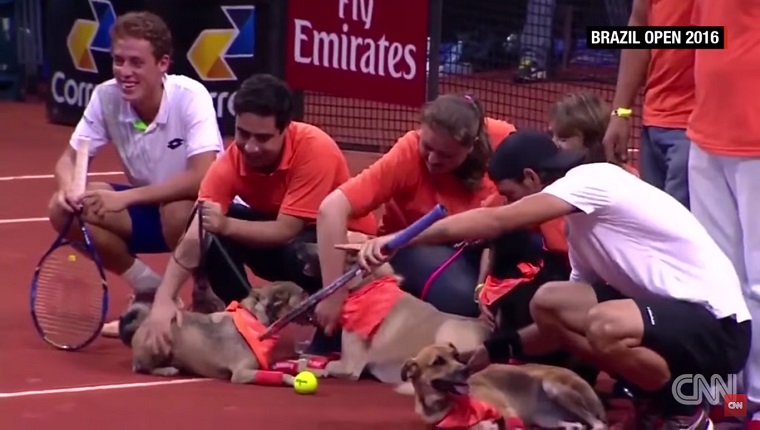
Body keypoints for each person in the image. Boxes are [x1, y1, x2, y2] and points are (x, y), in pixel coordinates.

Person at [355, 132, 751, 428]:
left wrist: (400, 240)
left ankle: (685, 413)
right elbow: (555, 326)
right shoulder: (581, 232)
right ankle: (676, 401)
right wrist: (495, 349)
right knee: (551, 301)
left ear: (531, 177)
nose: (511, 204)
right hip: (686, 350)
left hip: (719, 332)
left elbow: (493, 221)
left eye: (511, 195)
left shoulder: (595, 178)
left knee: (603, 324)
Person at [134, 73, 377, 356]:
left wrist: (224, 224)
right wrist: (164, 299)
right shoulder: (229, 163)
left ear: (285, 129)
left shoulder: (315, 149)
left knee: (301, 250)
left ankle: (334, 327)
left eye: (262, 138)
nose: (250, 147)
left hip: (344, 254)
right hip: (283, 244)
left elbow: (286, 230)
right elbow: (194, 237)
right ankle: (244, 321)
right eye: (243, 134)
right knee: (208, 229)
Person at [47, 11, 222, 337]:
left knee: (176, 209)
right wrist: (69, 188)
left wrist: (124, 197)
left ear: (163, 64)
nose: (125, 72)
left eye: (136, 63)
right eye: (119, 61)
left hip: (207, 217)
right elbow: (68, 160)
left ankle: (205, 290)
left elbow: (203, 176)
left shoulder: (190, 97)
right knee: (63, 210)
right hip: (149, 211)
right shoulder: (106, 97)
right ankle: (149, 288)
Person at [315, 94, 516, 335]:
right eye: (428, 147)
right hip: (411, 247)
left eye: (446, 155)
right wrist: (332, 294)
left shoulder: (503, 140)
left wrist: (486, 286)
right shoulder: (408, 153)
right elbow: (332, 208)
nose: (432, 159)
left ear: (470, 146)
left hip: (480, 250)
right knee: (462, 301)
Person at [688, 0, 760, 425]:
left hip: (756, 144)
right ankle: (731, 397)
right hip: (706, 135)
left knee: (759, 280)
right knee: (717, 279)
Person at [603, 0, 694, 209]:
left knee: (678, 230)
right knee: (652, 225)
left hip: (696, 129)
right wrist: (620, 113)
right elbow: (639, 27)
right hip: (655, 123)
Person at [550, 91, 639, 177]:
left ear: (591, 140)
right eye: (552, 135)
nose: (554, 142)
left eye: (563, 139)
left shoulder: (623, 177)